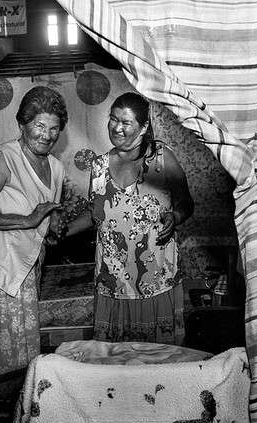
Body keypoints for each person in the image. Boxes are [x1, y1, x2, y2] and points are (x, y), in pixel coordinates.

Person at [67, 92, 194, 345]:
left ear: (144, 126)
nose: (116, 127)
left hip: (155, 279)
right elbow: (96, 214)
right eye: (113, 119)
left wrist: (175, 216)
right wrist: (61, 230)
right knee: (115, 364)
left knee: (156, 359)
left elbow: (186, 201)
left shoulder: (161, 158)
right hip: (112, 280)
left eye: (126, 122)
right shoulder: (100, 165)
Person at [0, 86, 68, 409]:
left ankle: (20, 413)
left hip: (29, 270)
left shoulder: (56, 168)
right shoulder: (2, 159)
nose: (47, 135)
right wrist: (28, 220)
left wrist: (50, 227)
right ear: (22, 124)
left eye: (54, 128)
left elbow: (45, 216)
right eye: (39, 126)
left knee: (24, 354)